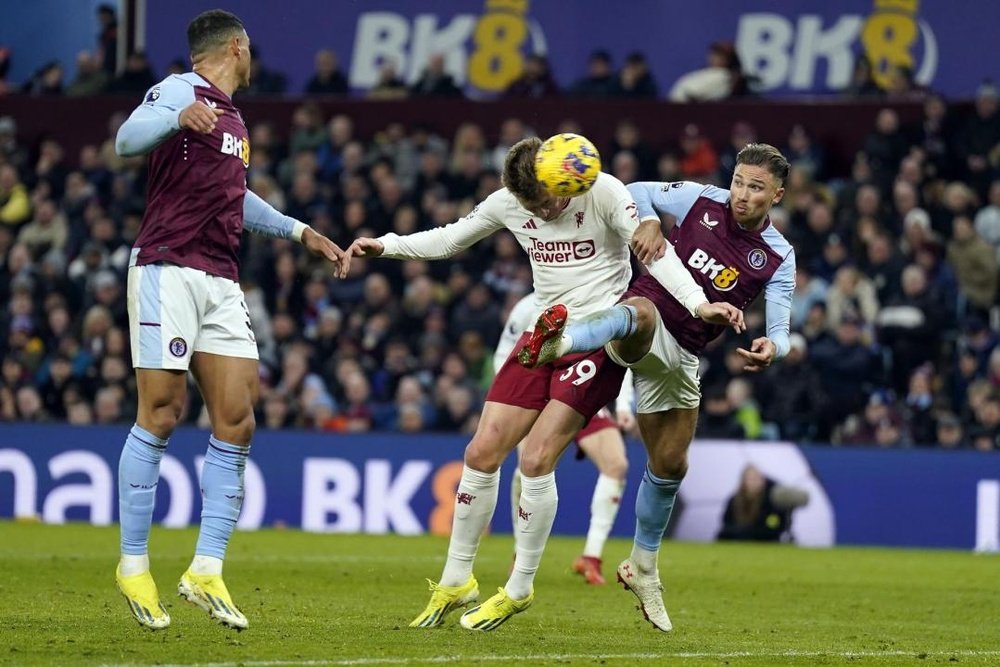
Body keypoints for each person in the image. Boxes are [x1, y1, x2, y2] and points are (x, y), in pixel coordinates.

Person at [345, 135, 740, 631]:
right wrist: (385, 246)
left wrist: (697, 304)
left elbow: (657, 256)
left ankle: (520, 586)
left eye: (551, 200)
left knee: (534, 458)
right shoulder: (509, 202)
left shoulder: (605, 192)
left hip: (598, 339)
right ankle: (456, 580)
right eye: (535, 206)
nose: (546, 211)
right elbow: (450, 238)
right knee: (481, 452)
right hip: (542, 334)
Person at [112, 9, 346, 631]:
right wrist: (172, 116)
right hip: (168, 267)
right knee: (161, 412)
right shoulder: (181, 89)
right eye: (251, 49)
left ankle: (205, 568)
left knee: (238, 417)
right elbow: (126, 140)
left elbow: (233, 198)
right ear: (237, 48)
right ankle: (134, 565)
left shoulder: (236, 119)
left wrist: (301, 232)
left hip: (219, 277)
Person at [520, 143, 794, 631]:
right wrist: (646, 219)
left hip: (684, 355)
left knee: (670, 465)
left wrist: (773, 348)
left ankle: (643, 567)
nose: (742, 195)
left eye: (756, 188)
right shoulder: (700, 199)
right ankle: (559, 340)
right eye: (739, 181)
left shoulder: (777, 257)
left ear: (777, 194)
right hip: (642, 318)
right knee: (640, 312)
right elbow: (635, 191)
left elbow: (780, 330)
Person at [496, 292, 636, 585]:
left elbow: (619, 356)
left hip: (580, 388)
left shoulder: (599, 301)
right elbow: (504, 354)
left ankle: (591, 557)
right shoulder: (528, 307)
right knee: (529, 466)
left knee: (617, 465)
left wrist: (623, 406)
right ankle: (521, 553)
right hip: (536, 394)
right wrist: (513, 399)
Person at [716, 464, 809, 542]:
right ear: (744, 482)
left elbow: (774, 526)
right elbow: (726, 522)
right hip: (738, 538)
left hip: (763, 539)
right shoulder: (734, 500)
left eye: (757, 479)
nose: (755, 482)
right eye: (751, 479)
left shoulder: (771, 500)